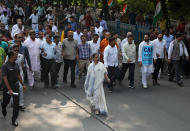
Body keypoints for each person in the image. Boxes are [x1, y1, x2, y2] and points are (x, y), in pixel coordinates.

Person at [1, 50, 26, 126]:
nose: (17, 57)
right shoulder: (5, 66)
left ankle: (14, 120)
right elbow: (5, 78)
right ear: (11, 57)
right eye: (15, 56)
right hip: (8, 87)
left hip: (16, 86)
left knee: (16, 104)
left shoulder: (16, 65)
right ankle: (3, 107)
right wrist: (9, 89)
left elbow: (18, 75)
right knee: (6, 102)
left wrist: (22, 84)